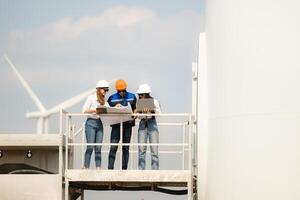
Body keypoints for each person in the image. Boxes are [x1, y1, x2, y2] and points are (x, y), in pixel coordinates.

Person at [107, 79, 137, 170]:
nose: (121, 93)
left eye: (123, 91)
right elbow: (107, 109)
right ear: (117, 90)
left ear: (125, 89)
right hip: (116, 125)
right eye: (119, 91)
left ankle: (124, 169)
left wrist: (135, 114)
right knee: (113, 146)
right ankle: (110, 169)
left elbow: (135, 108)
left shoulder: (132, 96)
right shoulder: (112, 98)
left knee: (126, 148)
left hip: (128, 125)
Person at [82, 80, 110, 169]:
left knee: (98, 147)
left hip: (100, 123)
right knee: (90, 146)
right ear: (99, 89)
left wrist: (117, 107)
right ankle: (86, 166)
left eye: (107, 90)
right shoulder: (91, 98)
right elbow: (84, 110)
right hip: (91, 123)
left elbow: (109, 109)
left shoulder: (104, 101)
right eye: (104, 90)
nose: (105, 92)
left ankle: (98, 167)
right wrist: (95, 110)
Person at [136, 84, 161, 170]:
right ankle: (141, 171)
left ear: (146, 94)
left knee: (154, 150)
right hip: (142, 124)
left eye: (141, 95)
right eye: (139, 95)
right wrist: (140, 113)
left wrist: (152, 110)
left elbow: (159, 113)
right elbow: (138, 116)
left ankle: (154, 171)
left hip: (152, 124)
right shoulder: (138, 102)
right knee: (141, 149)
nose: (140, 96)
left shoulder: (155, 101)